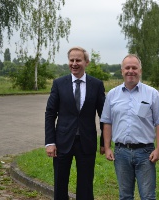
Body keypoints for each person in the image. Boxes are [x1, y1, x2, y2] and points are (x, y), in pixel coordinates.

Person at [101, 54, 159, 199]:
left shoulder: (152, 94)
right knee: (125, 196)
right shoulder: (112, 95)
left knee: (148, 196)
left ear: (140, 71)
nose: (131, 71)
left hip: (145, 153)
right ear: (122, 71)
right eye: (127, 68)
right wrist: (107, 147)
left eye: (134, 68)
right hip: (121, 152)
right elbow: (107, 122)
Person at [45, 46, 105, 200]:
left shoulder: (97, 85)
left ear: (86, 62)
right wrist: (50, 142)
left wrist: (104, 142)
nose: (74, 63)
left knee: (85, 185)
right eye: (71, 60)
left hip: (87, 142)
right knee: (60, 183)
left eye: (78, 60)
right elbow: (50, 114)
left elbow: (104, 115)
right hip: (62, 142)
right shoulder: (59, 84)